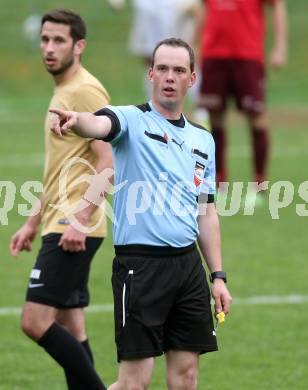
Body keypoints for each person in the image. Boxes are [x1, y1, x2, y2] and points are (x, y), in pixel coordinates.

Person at [49, 37, 232, 390]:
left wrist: (218, 275)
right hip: (141, 267)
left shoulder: (203, 140)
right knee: (135, 383)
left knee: (186, 377)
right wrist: (77, 120)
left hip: (188, 267)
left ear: (191, 79)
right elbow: (99, 125)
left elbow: (205, 212)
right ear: (150, 74)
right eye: (162, 68)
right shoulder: (131, 119)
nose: (169, 76)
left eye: (179, 70)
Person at [10, 9, 112, 390]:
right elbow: (58, 170)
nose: (49, 49)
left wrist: (80, 219)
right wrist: (32, 221)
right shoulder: (62, 90)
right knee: (73, 326)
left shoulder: (85, 89)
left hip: (72, 226)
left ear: (79, 46)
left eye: (59, 41)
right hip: (58, 220)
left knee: (34, 322)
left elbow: (109, 161)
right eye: (45, 40)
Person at [196, 0, 287, 188]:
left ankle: (259, 184)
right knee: (215, 119)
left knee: (256, 117)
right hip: (213, 55)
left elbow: (277, 5)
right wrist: (195, 46)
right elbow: (203, 10)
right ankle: (219, 182)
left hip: (247, 56)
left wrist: (280, 46)